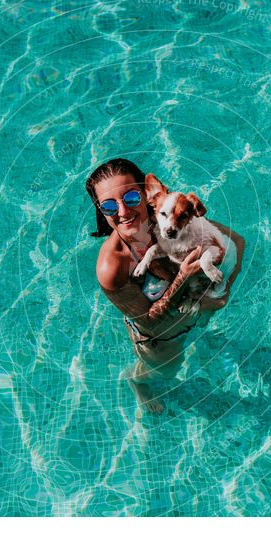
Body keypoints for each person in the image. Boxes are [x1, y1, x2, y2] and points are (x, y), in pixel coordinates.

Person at [86, 158, 245, 413]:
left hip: (195, 307)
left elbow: (236, 240)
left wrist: (222, 291)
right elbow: (148, 320)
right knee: (167, 372)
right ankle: (135, 380)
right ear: (101, 210)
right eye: (108, 205)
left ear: (146, 195)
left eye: (130, 199)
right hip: (160, 338)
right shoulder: (112, 266)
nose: (124, 212)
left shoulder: (168, 214)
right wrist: (183, 277)